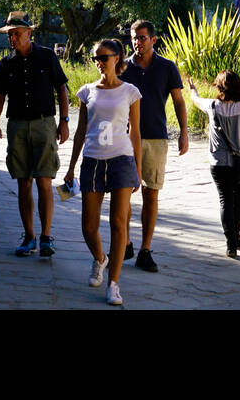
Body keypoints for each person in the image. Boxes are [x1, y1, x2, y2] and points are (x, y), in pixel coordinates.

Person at [62, 38, 141, 307]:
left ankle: (114, 284)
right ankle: (100, 258)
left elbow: (135, 133)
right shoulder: (86, 92)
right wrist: (71, 167)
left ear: (116, 58)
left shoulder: (130, 91)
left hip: (121, 159)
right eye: (95, 58)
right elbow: (81, 131)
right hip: (93, 160)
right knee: (88, 226)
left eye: (103, 57)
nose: (99, 62)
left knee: (119, 224)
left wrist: (137, 170)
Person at [0, 12, 71, 257]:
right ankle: (29, 237)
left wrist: (64, 122)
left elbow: (62, 89)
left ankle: (46, 237)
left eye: (17, 33)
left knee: (44, 181)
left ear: (29, 33)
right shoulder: (6, 64)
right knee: (23, 182)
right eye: (10, 34)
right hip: (17, 126)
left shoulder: (46, 56)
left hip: (44, 124)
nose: (12, 38)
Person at [119, 19, 188, 273]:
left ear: (153, 40)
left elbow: (179, 101)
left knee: (151, 193)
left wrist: (184, 132)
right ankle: (125, 241)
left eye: (143, 38)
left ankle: (145, 250)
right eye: (134, 37)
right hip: (125, 137)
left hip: (156, 137)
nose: (138, 42)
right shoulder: (124, 67)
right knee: (123, 192)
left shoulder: (167, 67)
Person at [185, 70, 240, 257]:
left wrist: (193, 89)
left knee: (225, 200)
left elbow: (196, 100)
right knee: (238, 199)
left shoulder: (213, 106)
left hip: (219, 162)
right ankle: (236, 237)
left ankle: (230, 243)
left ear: (219, 87)